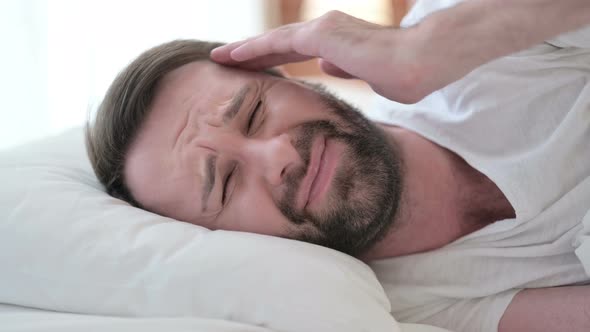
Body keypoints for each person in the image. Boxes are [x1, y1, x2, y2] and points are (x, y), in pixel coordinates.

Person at [85, 0, 590, 331]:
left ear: (289, 76)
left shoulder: (462, 37)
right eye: (226, 184)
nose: (279, 156)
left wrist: (430, 48)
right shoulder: (399, 306)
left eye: (256, 112)